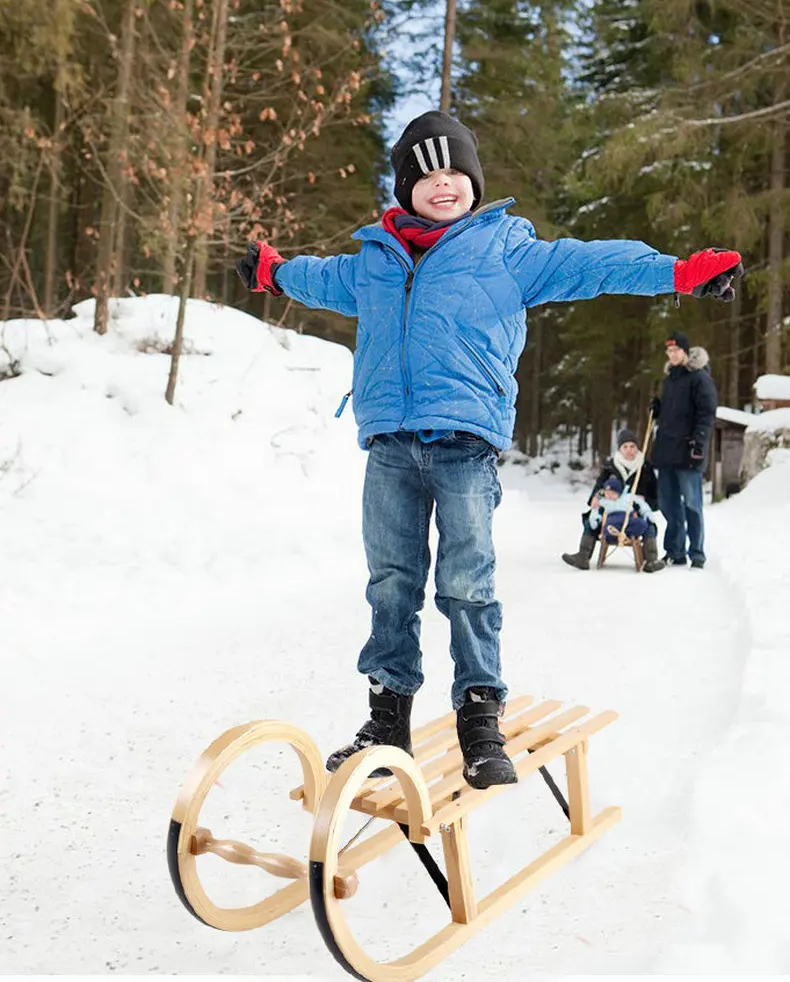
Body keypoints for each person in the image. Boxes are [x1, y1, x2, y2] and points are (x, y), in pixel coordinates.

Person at [235, 110, 742, 789]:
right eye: (428, 175)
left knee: (466, 585)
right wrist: (274, 272)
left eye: (456, 173)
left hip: (464, 448)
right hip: (389, 446)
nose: (443, 186)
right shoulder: (374, 263)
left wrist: (676, 273)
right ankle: (386, 719)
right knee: (391, 584)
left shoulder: (508, 252)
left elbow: (593, 263)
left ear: (474, 181)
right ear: (405, 187)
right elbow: (315, 278)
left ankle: (479, 715)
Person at [650, 330, 718, 569]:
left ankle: (697, 553)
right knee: (669, 504)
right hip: (667, 451)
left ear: (686, 352)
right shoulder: (669, 381)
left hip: (689, 451)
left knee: (692, 503)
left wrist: (699, 442)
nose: (672, 354)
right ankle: (675, 551)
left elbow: (707, 413)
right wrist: (658, 410)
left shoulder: (699, 378)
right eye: (669, 351)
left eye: (676, 350)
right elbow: (671, 417)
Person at [562, 427, 664, 572]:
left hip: (634, 512)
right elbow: (598, 488)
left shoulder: (645, 467)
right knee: (590, 521)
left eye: (632, 447)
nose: (629, 450)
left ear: (637, 448)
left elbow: (655, 499)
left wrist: (644, 500)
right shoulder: (611, 466)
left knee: (650, 526)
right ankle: (583, 556)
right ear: (620, 449)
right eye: (625, 447)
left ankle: (651, 560)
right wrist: (596, 499)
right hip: (610, 511)